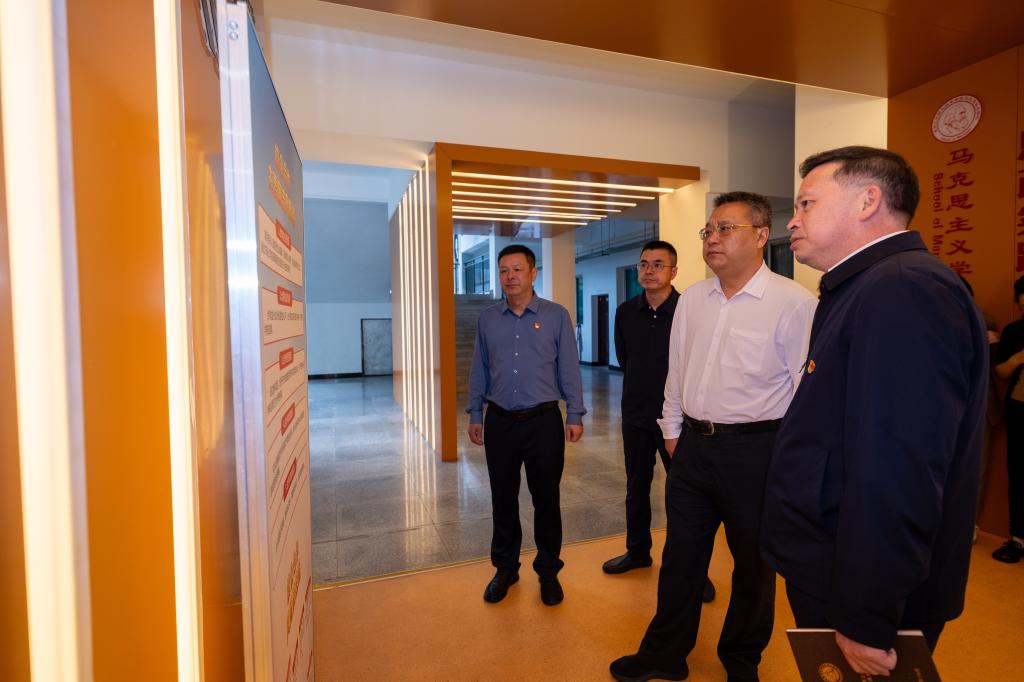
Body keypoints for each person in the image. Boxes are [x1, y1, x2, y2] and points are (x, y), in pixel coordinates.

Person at [761, 146, 988, 677]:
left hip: (857, 586)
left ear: (867, 201)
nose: (792, 220)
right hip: (835, 564)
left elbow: (898, 470)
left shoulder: (903, 290)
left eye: (807, 203)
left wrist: (867, 617)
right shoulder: (865, 286)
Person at [610, 192, 816, 682]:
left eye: (726, 228)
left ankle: (741, 659)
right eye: (708, 230)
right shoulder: (695, 300)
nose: (713, 238)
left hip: (757, 452)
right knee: (681, 556)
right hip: (693, 449)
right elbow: (677, 369)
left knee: (754, 565)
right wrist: (672, 430)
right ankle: (665, 654)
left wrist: (789, 462)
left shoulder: (792, 303)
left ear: (761, 236)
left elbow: (805, 394)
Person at [467, 244, 585, 606]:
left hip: (543, 422)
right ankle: (505, 569)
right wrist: (475, 413)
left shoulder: (556, 315)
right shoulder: (488, 319)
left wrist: (575, 413)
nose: (510, 276)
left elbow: (569, 367)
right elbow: (479, 368)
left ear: (533, 273)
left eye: (517, 269)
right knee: (503, 500)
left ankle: (548, 571)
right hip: (500, 421)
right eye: (504, 270)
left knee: (546, 500)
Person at [602, 240, 716, 604]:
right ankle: (637, 552)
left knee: (686, 498)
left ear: (673, 271)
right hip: (636, 415)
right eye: (643, 264)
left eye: (657, 264)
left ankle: (694, 571)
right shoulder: (625, 312)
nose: (649, 271)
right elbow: (625, 358)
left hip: (679, 420)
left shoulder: (689, 310)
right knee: (636, 488)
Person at [992, 275, 1024, 562]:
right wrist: (1017, 360)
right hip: (1019, 409)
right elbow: (1000, 372)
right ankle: (1018, 539)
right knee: (1018, 474)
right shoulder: (1014, 331)